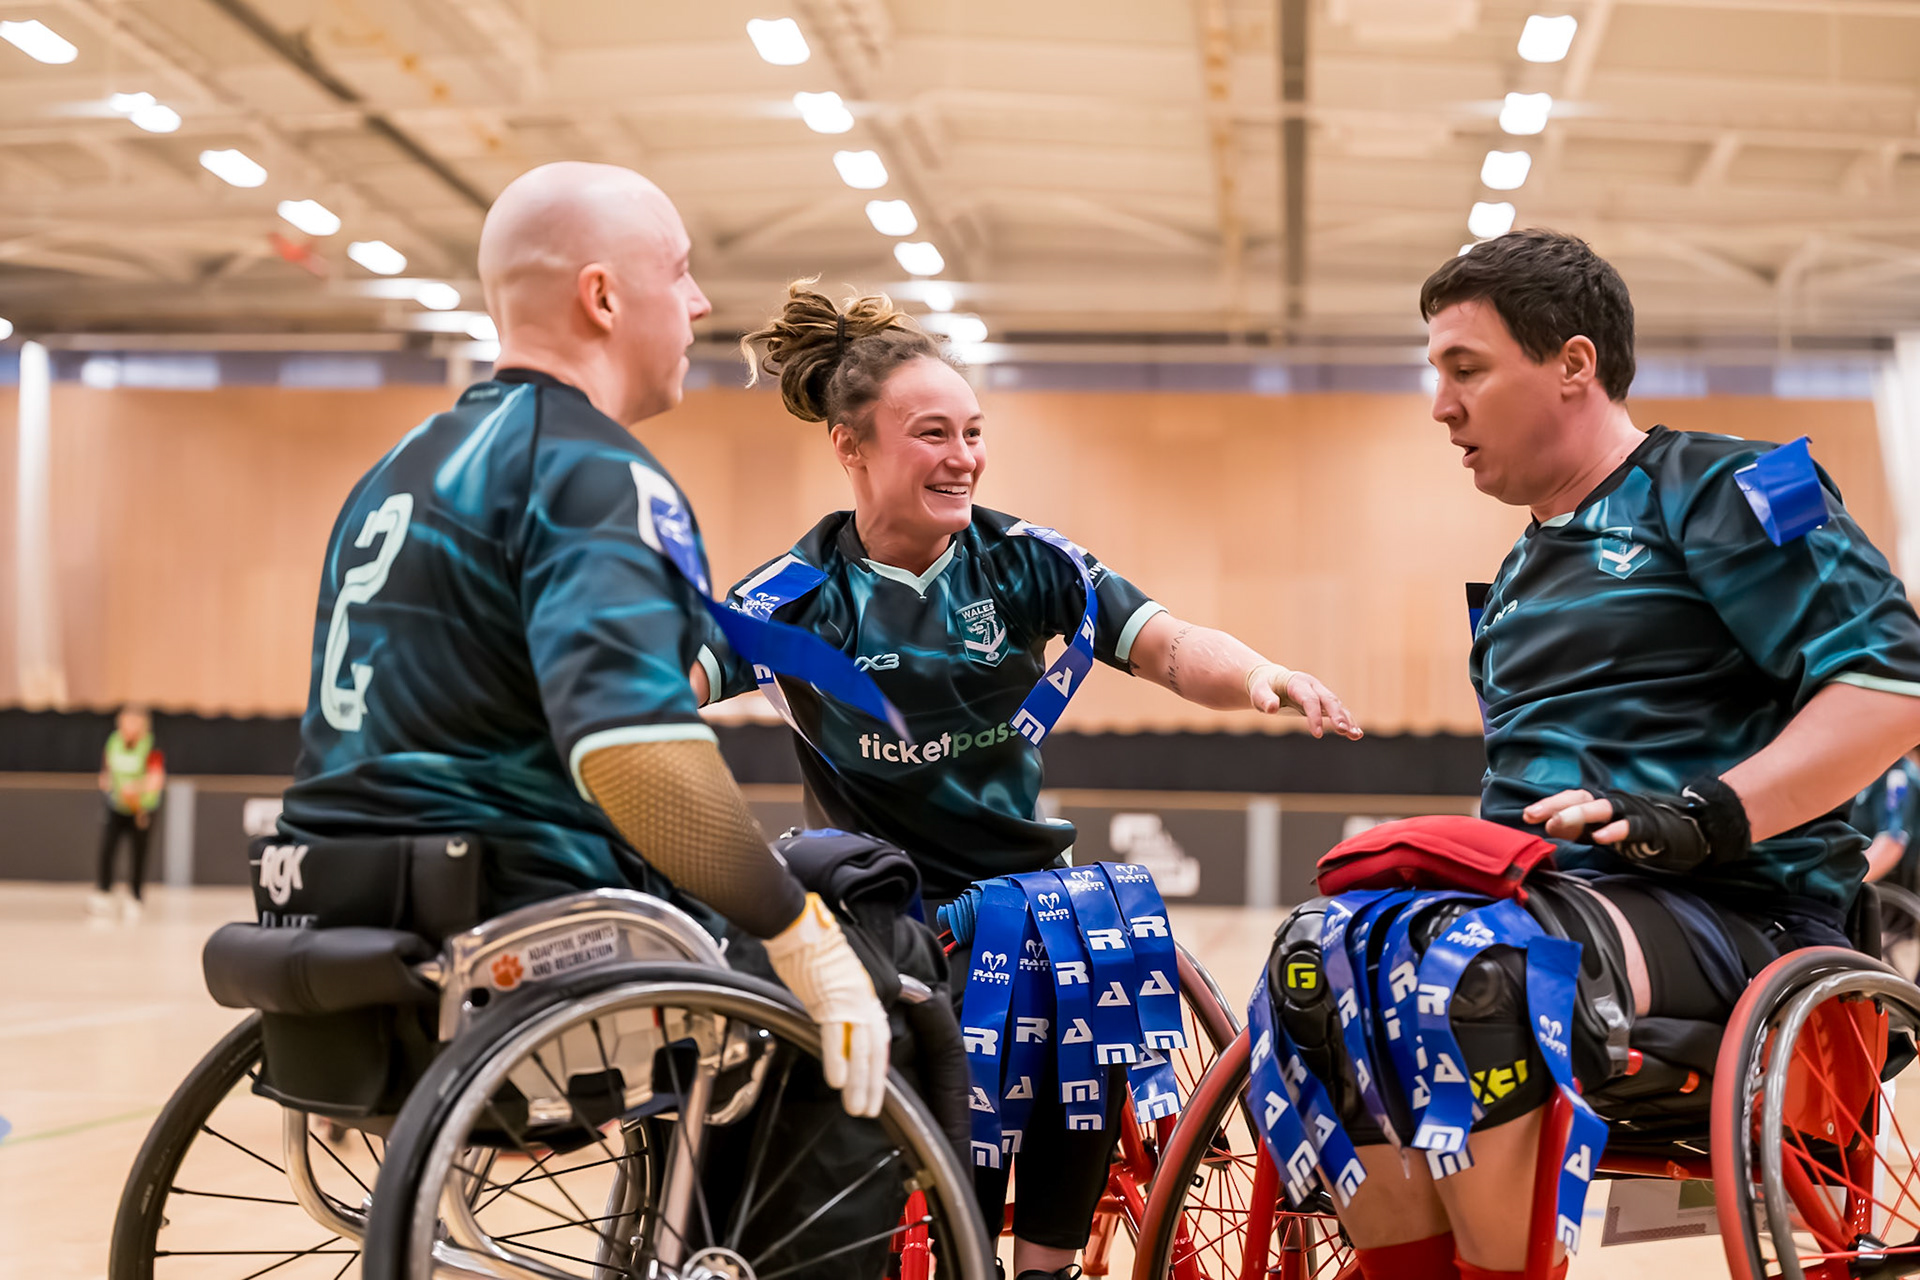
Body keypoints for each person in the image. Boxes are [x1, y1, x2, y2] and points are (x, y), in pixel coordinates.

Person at [1261, 229, 1920, 1280]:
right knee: (1316, 959)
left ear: (1573, 363)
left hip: (1744, 912)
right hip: (1559, 901)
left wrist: (1707, 810)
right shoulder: (1521, 569)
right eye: (1436, 373)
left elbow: (1893, 688)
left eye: (1464, 368)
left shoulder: (1739, 483)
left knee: (1482, 967)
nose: (1440, 405)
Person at [694, 283, 1363, 1280]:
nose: (962, 455)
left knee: (1084, 950)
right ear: (851, 446)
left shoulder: (1027, 562)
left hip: (1026, 894)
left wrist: (1260, 674)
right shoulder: (793, 596)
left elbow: (1169, 643)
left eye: (972, 431)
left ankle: (1043, 1264)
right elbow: (670, 680)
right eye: (932, 433)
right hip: (883, 906)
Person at [275, 163, 891, 1120]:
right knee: (875, 927)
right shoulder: (593, 473)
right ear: (602, 296)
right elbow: (634, 754)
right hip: (515, 928)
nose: (700, 301)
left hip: (332, 906)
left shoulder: (396, 471)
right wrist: (795, 930)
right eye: (679, 271)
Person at [92, 704, 164, 922]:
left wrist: (137, 788)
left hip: (141, 809)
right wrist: (106, 779)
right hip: (117, 806)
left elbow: (156, 779)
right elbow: (107, 767)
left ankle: (135, 896)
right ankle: (103, 893)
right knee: (107, 848)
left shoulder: (150, 746)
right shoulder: (114, 741)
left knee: (139, 853)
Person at [1852, 745, 1920, 886]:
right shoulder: (1859, 770)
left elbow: (1892, 841)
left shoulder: (1898, 777)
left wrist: (1850, 880)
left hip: (1880, 889)